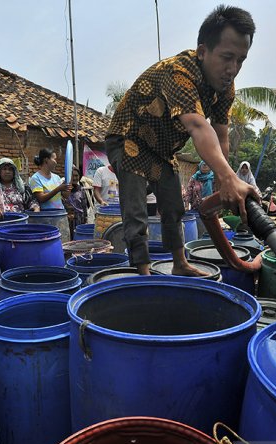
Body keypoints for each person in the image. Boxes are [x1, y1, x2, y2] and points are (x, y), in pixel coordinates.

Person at [105, 5, 259, 276]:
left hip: (161, 149)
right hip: (128, 137)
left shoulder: (225, 87)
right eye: (226, 57)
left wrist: (227, 178)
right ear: (203, 51)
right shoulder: (179, 73)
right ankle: (143, 275)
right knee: (137, 212)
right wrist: (227, 177)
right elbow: (198, 127)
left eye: (240, 60)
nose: (232, 69)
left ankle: (180, 264)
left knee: (174, 206)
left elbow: (220, 134)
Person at [65, 166, 92, 233]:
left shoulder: (81, 189)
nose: (74, 178)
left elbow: (84, 205)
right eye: (72, 176)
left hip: (80, 220)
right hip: (68, 220)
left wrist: (85, 219)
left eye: (76, 175)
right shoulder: (64, 190)